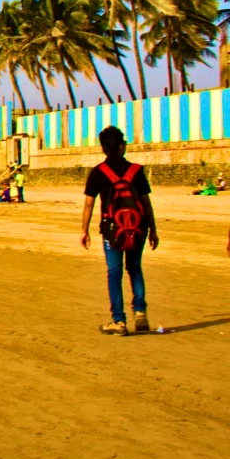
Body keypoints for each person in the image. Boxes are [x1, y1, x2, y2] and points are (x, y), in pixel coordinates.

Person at [80, 126, 158, 336]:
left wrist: (84, 230)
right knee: (134, 268)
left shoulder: (98, 172)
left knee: (114, 272)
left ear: (103, 148)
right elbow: (145, 203)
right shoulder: (136, 171)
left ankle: (119, 321)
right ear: (122, 146)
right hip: (138, 227)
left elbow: (89, 204)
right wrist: (153, 230)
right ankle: (140, 312)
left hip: (112, 229)